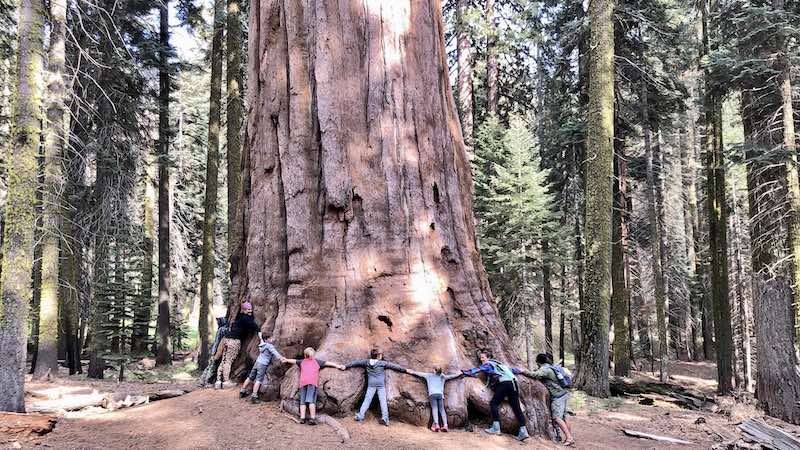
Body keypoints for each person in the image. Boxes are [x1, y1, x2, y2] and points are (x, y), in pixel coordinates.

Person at [461, 351, 530, 441]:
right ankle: (523, 431)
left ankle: (496, 428)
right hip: (514, 384)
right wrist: (522, 371)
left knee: (494, 403)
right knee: (516, 408)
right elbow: (514, 370)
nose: (481, 359)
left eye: (483, 357)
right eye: (480, 358)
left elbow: (477, 370)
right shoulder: (501, 365)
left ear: (488, 358)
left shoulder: (488, 365)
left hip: (504, 384)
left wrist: (464, 372)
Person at [282, 348, 345, 424]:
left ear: (305, 355)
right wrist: (337, 366)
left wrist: (286, 360)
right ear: (313, 355)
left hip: (303, 383)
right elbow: (327, 363)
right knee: (311, 401)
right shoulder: (317, 362)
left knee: (303, 401)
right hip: (312, 383)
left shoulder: (302, 361)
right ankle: (312, 418)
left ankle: (302, 418)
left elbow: (294, 361)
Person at [345, 348, 407, 426]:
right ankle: (385, 418)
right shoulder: (382, 363)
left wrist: (345, 366)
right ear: (377, 356)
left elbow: (355, 363)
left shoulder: (366, 362)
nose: (381, 355)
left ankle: (360, 416)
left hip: (371, 384)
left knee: (367, 400)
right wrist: (405, 370)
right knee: (383, 401)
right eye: (380, 354)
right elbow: (394, 366)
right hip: (380, 385)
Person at [528, 353, 575, 447]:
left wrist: (522, 371)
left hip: (557, 396)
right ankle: (569, 436)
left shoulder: (545, 369)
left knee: (557, 418)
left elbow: (535, 375)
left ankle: (569, 438)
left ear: (538, 362)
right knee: (565, 416)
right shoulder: (551, 367)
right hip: (564, 393)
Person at [215, 302, 261, 389]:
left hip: (227, 339)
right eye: (248, 309)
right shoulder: (246, 318)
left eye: (251, 309)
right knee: (228, 361)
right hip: (234, 341)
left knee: (224, 359)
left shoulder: (239, 317)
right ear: (244, 310)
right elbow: (254, 326)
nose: (250, 311)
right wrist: (260, 332)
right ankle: (226, 381)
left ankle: (218, 381)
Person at [406, 367, 462, 432]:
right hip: (440, 395)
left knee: (434, 409)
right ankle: (445, 425)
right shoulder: (443, 377)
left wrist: (410, 371)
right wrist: (459, 374)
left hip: (432, 394)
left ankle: (437, 425)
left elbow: (419, 374)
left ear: (434, 371)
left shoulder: (428, 375)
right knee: (442, 410)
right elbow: (451, 376)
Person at [238, 335, 285, 403]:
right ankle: (254, 396)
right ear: (267, 339)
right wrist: (282, 358)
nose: (273, 339)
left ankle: (242, 391)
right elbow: (275, 353)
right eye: (271, 338)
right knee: (259, 380)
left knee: (250, 377)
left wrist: (261, 337)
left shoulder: (262, 344)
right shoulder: (269, 346)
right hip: (262, 364)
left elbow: (261, 339)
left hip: (257, 362)